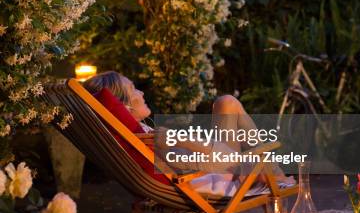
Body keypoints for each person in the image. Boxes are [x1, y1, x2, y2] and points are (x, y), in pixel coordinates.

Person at [84, 71, 295, 197]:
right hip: (214, 173)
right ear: (125, 106)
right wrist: (183, 139)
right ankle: (277, 179)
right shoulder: (146, 140)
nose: (141, 92)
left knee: (225, 103)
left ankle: (274, 176)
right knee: (228, 103)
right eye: (134, 90)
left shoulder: (140, 136)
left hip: (211, 165)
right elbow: (211, 162)